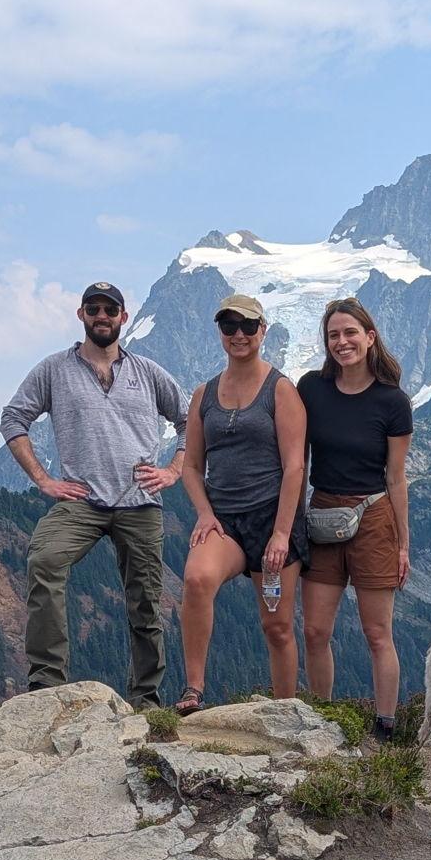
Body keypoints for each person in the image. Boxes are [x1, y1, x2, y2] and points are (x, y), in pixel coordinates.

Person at [0, 282, 187, 708]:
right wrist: (43, 479)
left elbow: (190, 419)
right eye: (94, 309)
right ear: (81, 315)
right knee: (45, 561)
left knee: (146, 600)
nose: (102, 316)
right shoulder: (54, 369)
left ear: (124, 316)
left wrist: (174, 470)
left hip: (139, 501)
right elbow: (13, 418)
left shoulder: (147, 372)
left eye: (110, 309)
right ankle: (46, 686)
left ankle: (146, 697)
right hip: (80, 501)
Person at [174, 294, 308, 713]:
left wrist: (282, 532)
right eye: (229, 326)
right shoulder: (204, 394)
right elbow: (192, 466)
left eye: (248, 326)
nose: (239, 334)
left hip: (273, 521)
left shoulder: (281, 389)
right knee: (196, 580)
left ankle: (286, 710)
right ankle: (194, 690)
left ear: (262, 331)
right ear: (220, 332)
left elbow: (294, 468)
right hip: (225, 521)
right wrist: (205, 513)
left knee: (278, 626)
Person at [299, 298, 413, 739]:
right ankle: (321, 720)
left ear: (370, 337)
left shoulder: (393, 402)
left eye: (350, 333)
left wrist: (403, 543)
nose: (342, 342)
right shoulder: (311, 388)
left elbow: (397, 478)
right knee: (314, 630)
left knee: (376, 632)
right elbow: (298, 459)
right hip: (323, 512)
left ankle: (385, 724)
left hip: (374, 515)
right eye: (333, 335)